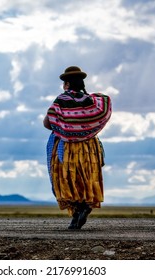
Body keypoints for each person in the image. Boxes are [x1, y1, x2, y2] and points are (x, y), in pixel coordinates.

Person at [43, 66, 112, 229]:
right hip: (89, 148)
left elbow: (47, 122)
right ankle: (83, 207)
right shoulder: (93, 102)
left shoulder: (61, 100)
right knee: (86, 178)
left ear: (66, 84)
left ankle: (77, 211)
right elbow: (101, 114)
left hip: (67, 148)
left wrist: (65, 128)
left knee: (66, 179)